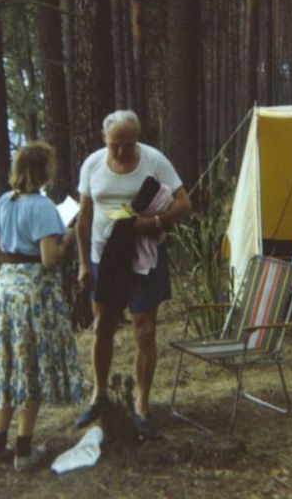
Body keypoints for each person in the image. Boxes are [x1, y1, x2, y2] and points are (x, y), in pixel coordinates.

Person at [75, 109, 191, 437]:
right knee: (103, 326)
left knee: (145, 330)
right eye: (116, 145)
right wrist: (84, 263)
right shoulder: (92, 165)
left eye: (130, 144)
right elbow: (84, 219)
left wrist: (153, 223)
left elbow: (184, 203)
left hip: (144, 258)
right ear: (104, 139)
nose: (124, 151)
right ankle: (99, 394)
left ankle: (142, 403)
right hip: (104, 257)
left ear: (138, 138)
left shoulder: (154, 161)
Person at [0, 141, 82, 471]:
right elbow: (50, 259)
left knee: (9, 368)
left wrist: (17, 258)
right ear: (45, 171)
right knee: (30, 370)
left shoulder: (5, 202)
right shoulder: (42, 207)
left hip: (7, 295)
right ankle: (23, 451)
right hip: (35, 299)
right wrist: (69, 235)